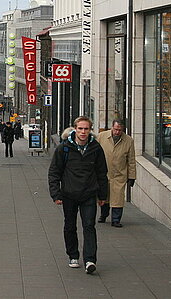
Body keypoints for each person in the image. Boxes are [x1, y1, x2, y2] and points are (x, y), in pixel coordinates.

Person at [48, 116, 108, 275]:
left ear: (90, 130)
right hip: (69, 194)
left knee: (89, 225)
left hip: (89, 193)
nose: (83, 132)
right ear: (75, 129)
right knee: (70, 225)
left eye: (86, 129)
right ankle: (73, 255)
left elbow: (102, 173)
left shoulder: (96, 148)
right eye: (80, 129)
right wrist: (56, 194)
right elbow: (54, 172)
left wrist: (103, 196)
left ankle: (90, 260)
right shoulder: (64, 148)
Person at [97, 119, 136, 227]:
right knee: (105, 197)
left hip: (119, 174)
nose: (117, 132)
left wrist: (132, 176)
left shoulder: (128, 141)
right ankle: (103, 215)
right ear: (112, 127)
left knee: (118, 198)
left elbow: (131, 160)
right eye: (115, 129)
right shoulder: (101, 137)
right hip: (104, 173)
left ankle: (116, 220)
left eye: (120, 130)